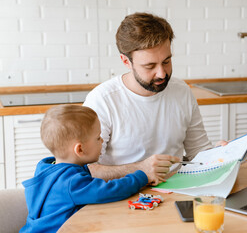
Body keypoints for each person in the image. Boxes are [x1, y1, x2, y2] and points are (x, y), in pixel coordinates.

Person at [83, 12, 225, 185]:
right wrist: (141, 169)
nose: (162, 73)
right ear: (126, 61)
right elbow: (85, 170)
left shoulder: (182, 92)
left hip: (177, 189)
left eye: (166, 61)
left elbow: (198, 153)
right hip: (123, 195)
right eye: (150, 66)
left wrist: (222, 155)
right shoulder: (102, 100)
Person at [20, 105, 155, 233]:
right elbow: (109, 191)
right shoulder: (71, 182)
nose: (102, 141)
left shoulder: (47, 168)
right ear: (80, 149)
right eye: (98, 138)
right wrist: (142, 177)